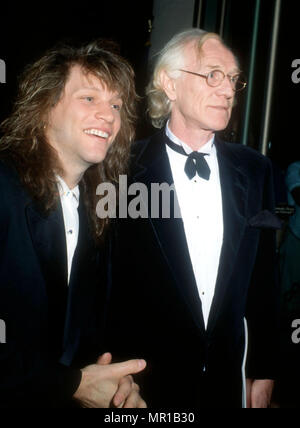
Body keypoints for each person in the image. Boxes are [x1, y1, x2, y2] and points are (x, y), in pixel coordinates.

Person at [106, 29, 280, 408]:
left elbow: (264, 278)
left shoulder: (255, 170)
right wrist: (111, 371)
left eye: (234, 79)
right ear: (169, 83)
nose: (229, 90)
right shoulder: (121, 169)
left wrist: (263, 371)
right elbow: (104, 283)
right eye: (213, 74)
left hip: (227, 381)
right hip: (144, 387)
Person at [0, 40, 147, 408]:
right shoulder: (3, 188)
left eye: (116, 105)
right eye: (89, 99)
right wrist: (71, 384)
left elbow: (74, 337)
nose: (109, 116)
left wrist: (114, 381)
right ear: (45, 107)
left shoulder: (92, 211)